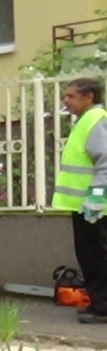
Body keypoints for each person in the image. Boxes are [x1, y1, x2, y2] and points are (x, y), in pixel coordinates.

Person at [50, 78, 107, 324]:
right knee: (91, 255)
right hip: (85, 205)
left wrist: (95, 200)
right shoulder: (87, 121)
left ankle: (103, 308)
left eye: (71, 96)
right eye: (66, 96)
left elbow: (105, 163)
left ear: (89, 97)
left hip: (94, 207)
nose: (66, 100)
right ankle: (99, 304)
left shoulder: (95, 121)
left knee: (95, 256)